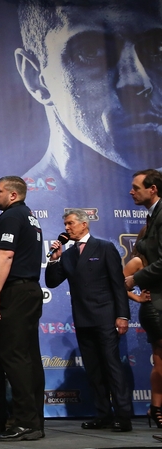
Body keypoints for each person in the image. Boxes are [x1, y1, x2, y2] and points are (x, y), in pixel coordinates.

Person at [15, 0, 162, 199]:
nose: (137, 81)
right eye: (91, 52)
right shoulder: (16, 214)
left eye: (157, 49)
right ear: (35, 77)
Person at [46, 209, 132, 431]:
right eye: (65, 224)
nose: (67, 228)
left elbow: (117, 284)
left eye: (70, 223)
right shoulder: (68, 254)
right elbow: (52, 282)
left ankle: (123, 417)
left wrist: (122, 315)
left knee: (112, 367)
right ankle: (103, 414)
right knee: (93, 370)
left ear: (84, 224)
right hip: (82, 318)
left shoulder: (104, 247)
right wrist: (54, 259)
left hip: (105, 317)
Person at [0, 176, 44, 441]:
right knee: (28, 358)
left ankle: (25, 422)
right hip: (27, 292)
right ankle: (34, 420)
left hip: (14, 293)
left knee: (15, 358)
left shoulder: (11, 217)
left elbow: (5, 254)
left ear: (13, 195)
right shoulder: (28, 216)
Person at [126, 169, 162, 431]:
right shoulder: (150, 221)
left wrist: (136, 279)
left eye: (136, 187)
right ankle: (157, 407)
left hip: (159, 301)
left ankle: (156, 407)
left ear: (153, 189)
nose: (131, 191)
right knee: (160, 360)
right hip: (156, 302)